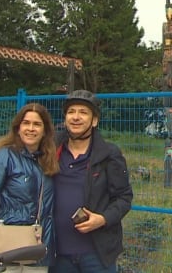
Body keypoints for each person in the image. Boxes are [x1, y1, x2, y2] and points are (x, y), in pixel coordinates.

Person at [0, 103, 59, 271]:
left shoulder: (48, 162)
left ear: (45, 131)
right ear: (18, 127)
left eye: (37, 124)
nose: (31, 128)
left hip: (37, 251)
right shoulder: (2, 157)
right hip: (7, 250)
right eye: (26, 123)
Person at [50, 90, 133, 273]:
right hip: (58, 255)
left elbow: (124, 198)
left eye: (83, 112)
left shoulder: (109, 154)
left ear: (94, 121)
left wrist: (103, 219)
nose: (76, 117)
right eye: (71, 112)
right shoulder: (51, 151)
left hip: (96, 255)